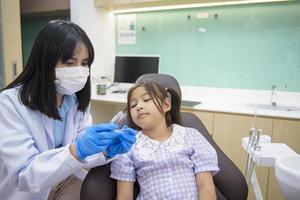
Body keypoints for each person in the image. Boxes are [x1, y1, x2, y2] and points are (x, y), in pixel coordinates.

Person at [0, 20, 136, 200]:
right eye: (70, 62)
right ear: (45, 62)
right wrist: (76, 150)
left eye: (84, 63)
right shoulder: (9, 103)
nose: (79, 71)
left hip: (63, 182)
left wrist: (106, 150)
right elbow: (25, 174)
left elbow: (82, 152)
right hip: (25, 193)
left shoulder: (76, 101)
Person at [110, 80, 220, 200]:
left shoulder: (191, 136)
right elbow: (124, 197)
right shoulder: (128, 146)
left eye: (146, 99)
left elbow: (206, 188)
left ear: (166, 105)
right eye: (133, 105)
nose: (139, 106)